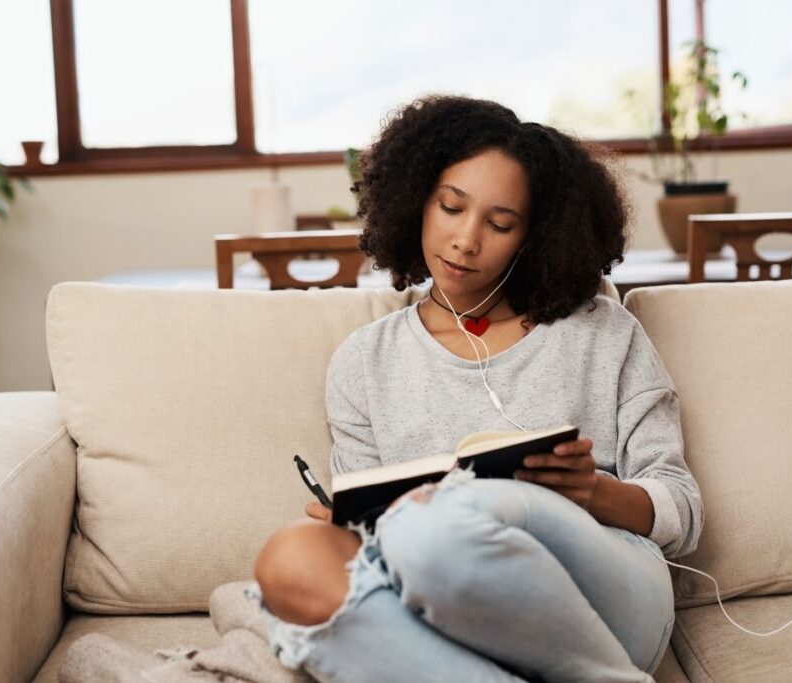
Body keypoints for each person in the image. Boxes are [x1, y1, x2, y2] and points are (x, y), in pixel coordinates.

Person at [250, 94, 703, 683]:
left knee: (439, 514)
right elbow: (367, 544)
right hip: (443, 605)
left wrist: (593, 493)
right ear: (416, 201)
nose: (466, 240)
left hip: (609, 594)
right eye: (450, 207)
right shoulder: (364, 361)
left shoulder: (602, 333)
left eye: (499, 223)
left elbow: (684, 510)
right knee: (291, 557)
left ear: (533, 236)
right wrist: (348, 521)